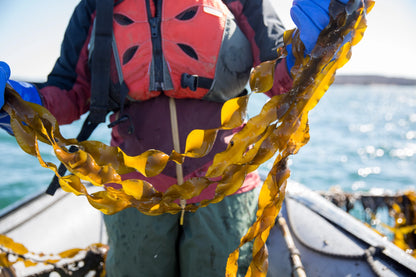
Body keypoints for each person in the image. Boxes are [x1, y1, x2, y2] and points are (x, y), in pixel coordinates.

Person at [0, 0, 349, 276]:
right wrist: (19, 104)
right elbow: (69, 92)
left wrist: (322, 36)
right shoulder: (96, 6)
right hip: (133, 195)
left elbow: (284, 77)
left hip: (225, 189)